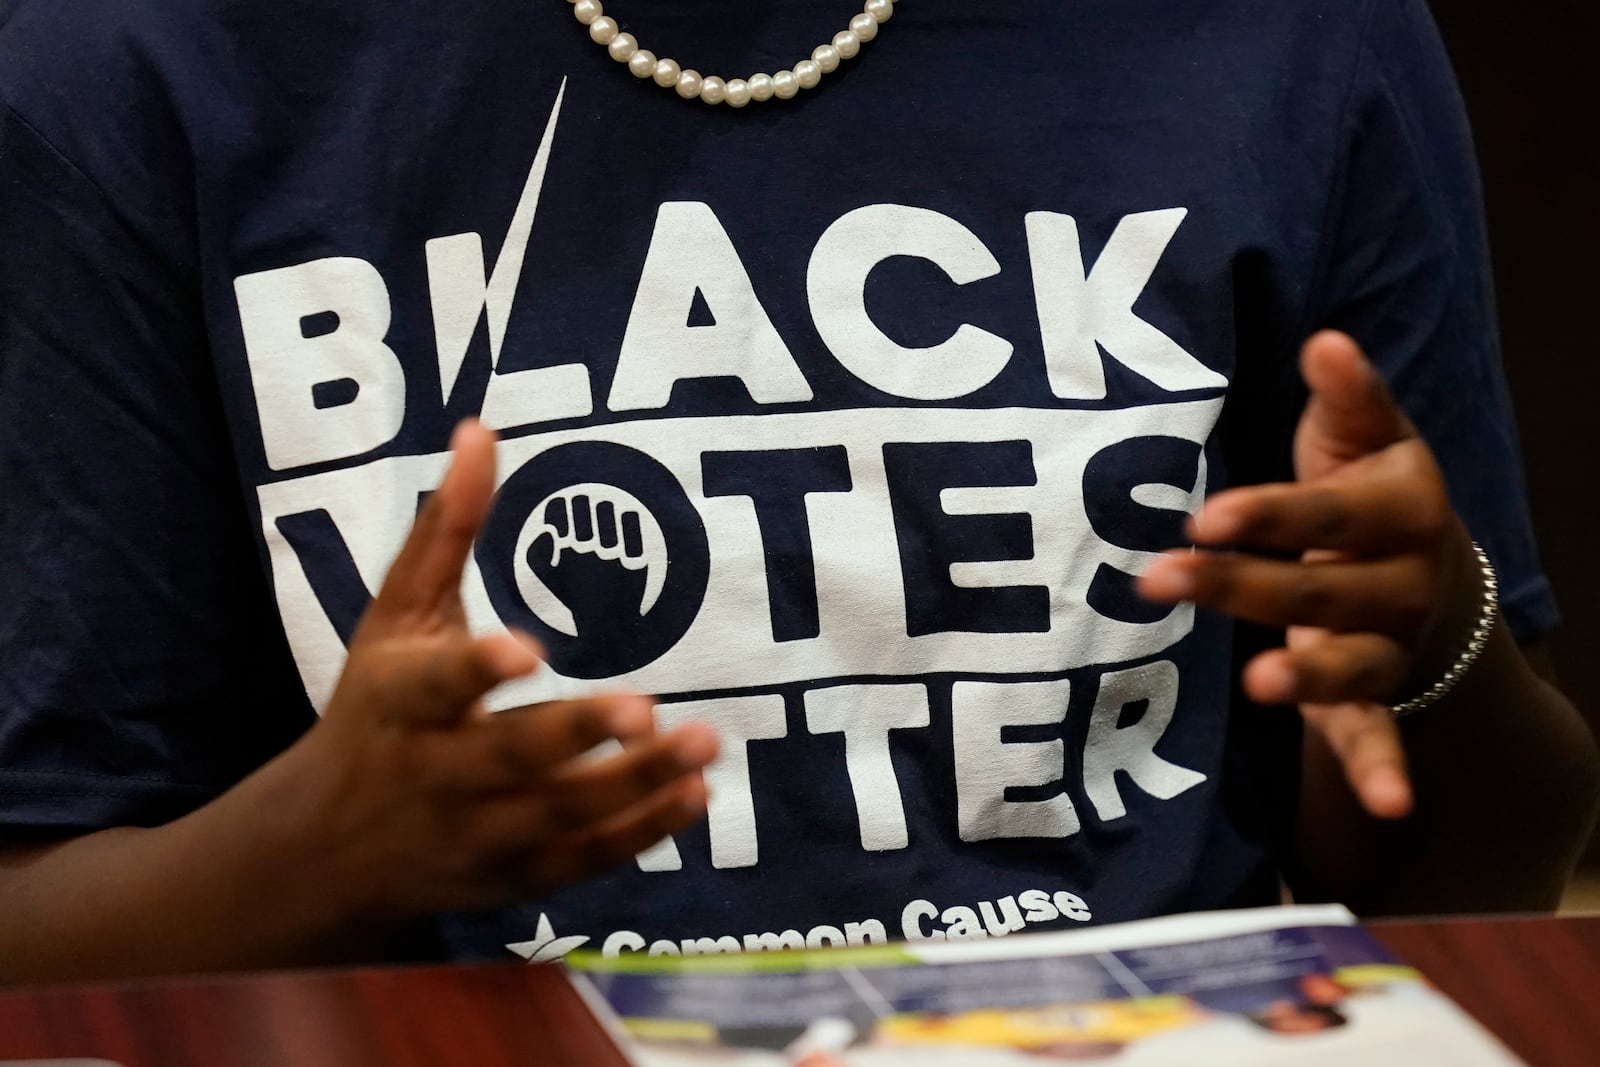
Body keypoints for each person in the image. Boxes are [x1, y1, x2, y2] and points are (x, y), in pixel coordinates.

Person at [1, 0, 1595, 983]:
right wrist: (322, 847)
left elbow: (1489, 876)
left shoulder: (1285, 35)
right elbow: (40, 933)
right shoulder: (140, 56)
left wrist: (1436, 636)